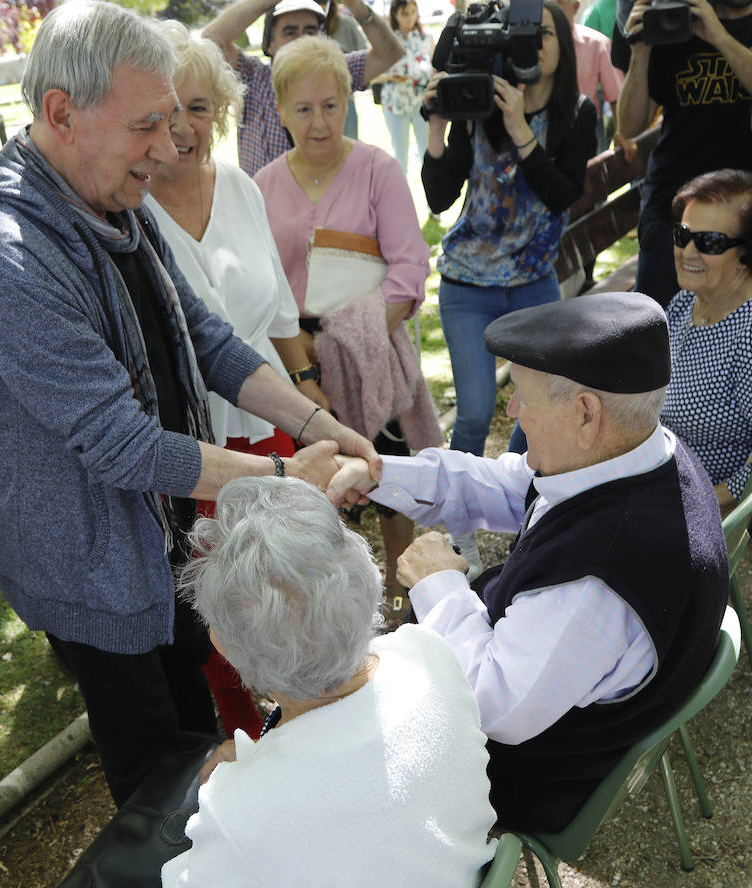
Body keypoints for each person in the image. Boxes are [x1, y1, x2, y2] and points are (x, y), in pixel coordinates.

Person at [0, 0, 376, 808]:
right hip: (91, 567)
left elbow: (206, 337)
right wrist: (284, 477)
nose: (168, 146)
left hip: (163, 532)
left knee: (199, 737)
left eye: (173, 120)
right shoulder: (7, 252)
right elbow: (120, 445)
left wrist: (321, 419)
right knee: (155, 780)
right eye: (146, 125)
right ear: (61, 113)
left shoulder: (111, 198)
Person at [328, 291, 729, 833]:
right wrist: (383, 476)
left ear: (586, 414)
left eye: (520, 395)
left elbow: (492, 708)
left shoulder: (596, 581)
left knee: (326, 748)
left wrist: (440, 584)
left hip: (512, 777)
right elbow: (508, 483)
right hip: (531, 702)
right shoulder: (644, 453)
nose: (511, 411)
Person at [160, 475, 497, 888]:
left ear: (226, 648)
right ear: (365, 582)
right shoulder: (430, 653)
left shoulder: (239, 814)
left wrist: (242, 785)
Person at [145, 21, 329, 739]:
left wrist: (315, 405)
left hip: (269, 421)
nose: (184, 128)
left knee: (297, 571)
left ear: (221, 114)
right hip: (190, 444)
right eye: (165, 111)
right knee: (216, 595)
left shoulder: (244, 190)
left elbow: (281, 315)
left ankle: (316, 705)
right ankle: (243, 730)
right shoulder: (129, 214)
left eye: (199, 108)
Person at [255, 36, 439, 619]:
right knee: (313, 485)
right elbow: (263, 281)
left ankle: (400, 586)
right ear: (280, 111)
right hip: (292, 352)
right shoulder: (259, 185)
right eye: (304, 108)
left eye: (331, 104)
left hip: (369, 347)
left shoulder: (376, 169)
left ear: (349, 101)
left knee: (384, 472)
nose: (318, 121)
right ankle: (334, 605)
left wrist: (351, 343)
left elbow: (410, 268)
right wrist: (304, 354)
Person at [422, 0, 596, 574]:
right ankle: (459, 530)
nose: (532, 45)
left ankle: (521, 513)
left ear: (563, 45)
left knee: (535, 415)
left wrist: (522, 128)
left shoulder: (578, 113)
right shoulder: (479, 107)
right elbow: (440, 198)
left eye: (543, 34)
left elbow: (560, 194)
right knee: (473, 413)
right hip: (468, 282)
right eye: (523, 35)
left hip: (533, 284)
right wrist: (439, 127)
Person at [616, 0, 752, 307]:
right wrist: (639, 54)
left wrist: (719, 37)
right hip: (672, 208)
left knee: (741, 332)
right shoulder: (680, 19)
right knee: (659, 330)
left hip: (743, 219)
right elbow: (629, 126)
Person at [661, 169, 752, 518]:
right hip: (663, 482)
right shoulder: (688, 301)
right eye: (682, 234)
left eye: (710, 242)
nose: (687, 251)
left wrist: (701, 501)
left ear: (748, 252)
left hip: (701, 509)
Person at [202, 0, 402, 175]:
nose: (301, 39)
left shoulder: (335, 72)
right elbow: (212, 39)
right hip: (261, 209)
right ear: (270, 44)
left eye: (310, 31)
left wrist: (356, 6)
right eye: (290, 32)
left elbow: (390, 53)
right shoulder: (253, 77)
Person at [556, 0, 633, 158]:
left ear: (575, 6)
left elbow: (616, 96)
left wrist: (621, 133)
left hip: (584, 132)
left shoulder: (596, 43)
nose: (550, 9)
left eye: (558, 3)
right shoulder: (534, 46)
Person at [373, 0, 434, 176]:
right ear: (395, 15)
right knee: (400, 158)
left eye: (412, 12)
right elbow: (372, 75)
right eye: (404, 13)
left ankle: (431, 201)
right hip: (395, 103)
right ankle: (401, 200)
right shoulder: (388, 41)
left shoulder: (426, 39)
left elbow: (435, 69)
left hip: (422, 104)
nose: (409, 18)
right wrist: (391, 77)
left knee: (427, 154)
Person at [327, 3, 368, 138]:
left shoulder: (346, 25)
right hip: (309, 103)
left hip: (344, 101)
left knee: (348, 153)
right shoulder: (304, 25)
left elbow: (368, 58)